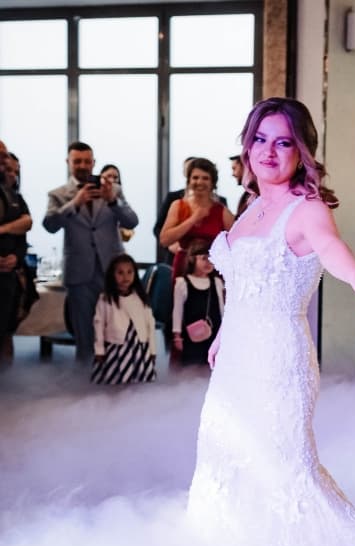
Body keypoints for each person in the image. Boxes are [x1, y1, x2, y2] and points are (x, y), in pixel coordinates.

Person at [186, 97, 355, 546]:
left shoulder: (307, 209)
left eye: (283, 142)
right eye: (260, 139)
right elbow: (245, 285)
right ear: (247, 146)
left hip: (278, 359)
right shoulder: (252, 207)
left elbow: (330, 248)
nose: (268, 151)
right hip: (236, 360)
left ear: (302, 152)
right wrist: (225, 333)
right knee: (225, 457)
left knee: (281, 468)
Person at [42, 141, 140, 364]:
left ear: (94, 162)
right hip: (79, 274)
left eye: (87, 161)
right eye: (77, 161)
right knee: (85, 335)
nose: (83, 166)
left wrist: (113, 201)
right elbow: (50, 225)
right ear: (68, 162)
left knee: (116, 330)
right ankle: (84, 380)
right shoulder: (58, 194)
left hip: (113, 272)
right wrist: (75, 203)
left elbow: (132, 221)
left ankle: (117, 374)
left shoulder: (113, 191)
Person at [158, 157, 235, 280]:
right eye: (195, 177)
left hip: (212, 270)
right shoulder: (178, 206)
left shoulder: (221, 211)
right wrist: (193, 219)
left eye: (205, 178)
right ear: (188, 180)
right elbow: (164, 240)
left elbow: (236, 242)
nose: (199, 182)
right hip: (184, 270)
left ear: (212, 183)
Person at [91, 254, 156, 384]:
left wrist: (152, 349)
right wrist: (99, 349)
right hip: (115, 348)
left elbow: (150, 324)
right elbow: (98, 325)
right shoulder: (105, 299)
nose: (126, 277)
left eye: (129, 272)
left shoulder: (140, 297)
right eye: (120, 273)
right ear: (112, 275)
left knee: (139, 383)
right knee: (114, 382)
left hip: (139, 348)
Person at [0, 139, 33, 365]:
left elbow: (26, 224)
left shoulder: (12, 196)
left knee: (5, 333)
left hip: (8, 276)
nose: (5, 160)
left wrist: (16, 257)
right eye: (2, 156)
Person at [172, 238, 224, 368]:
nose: (208, 262)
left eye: (211, 258)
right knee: (191, 368)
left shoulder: (217, 282)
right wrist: (177, 336)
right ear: (192, 259)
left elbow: (222, 309)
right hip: (191, 337)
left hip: (213, 334)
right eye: (204, 258)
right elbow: (177, 311)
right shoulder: (182, 283)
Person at [100, 164, 135, 243]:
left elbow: (132, 223)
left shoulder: (120, 200)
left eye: (115, 177)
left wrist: (114, 202)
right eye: (108, 176)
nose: (112, 180)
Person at [230, 153, 252, 219]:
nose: (233, 174)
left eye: (234, 168)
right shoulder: (246, 195)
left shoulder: (255, 193)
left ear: (244, 166)